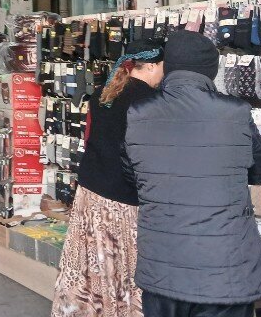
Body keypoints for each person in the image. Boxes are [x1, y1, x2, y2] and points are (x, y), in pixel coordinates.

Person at [124, 30, 261, 317]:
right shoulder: (234, 113)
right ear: (211, 70)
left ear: (167, 66)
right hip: (223, 270)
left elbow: (132, 175)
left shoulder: (139, 113)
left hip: (161, 266)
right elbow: (259, 172)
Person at [52, 39, 164, 317]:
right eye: (163, 66)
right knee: (123, 268)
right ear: (150, 66)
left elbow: (89, 140)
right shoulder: (151, 103)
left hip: (90, 193)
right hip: (123, 201)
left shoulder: (104, 93)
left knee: (89, 268)